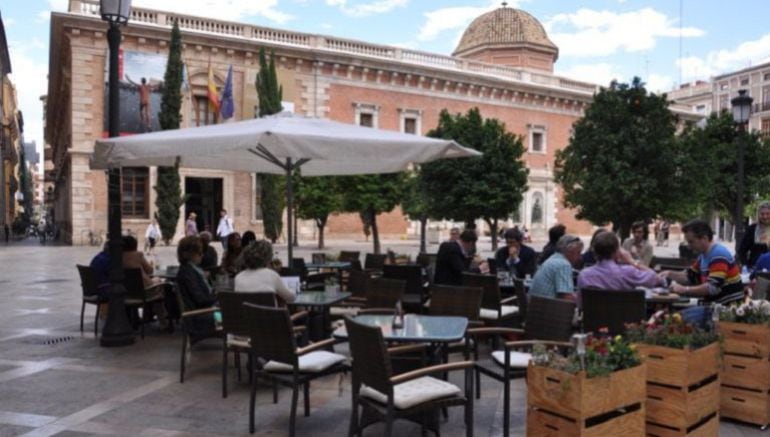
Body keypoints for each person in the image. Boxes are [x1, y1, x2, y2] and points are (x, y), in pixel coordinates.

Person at [659, 219, 744, 305]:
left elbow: (712, 288)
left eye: (691, 242)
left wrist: (684, 289)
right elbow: (690, 276)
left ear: (704, 238)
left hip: (726, 309)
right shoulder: (703, 255)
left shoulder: (718, 255)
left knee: (674, 316)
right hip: (714, 305)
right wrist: (669, 274)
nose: (689, 246)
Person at [578, 232, 662, 295]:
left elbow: (581, 304)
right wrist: (632, 261)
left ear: (595, 251)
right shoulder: (629, 272)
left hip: (594, 317)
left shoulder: (584, 275)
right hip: (625, 318)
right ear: (617, 252)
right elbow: (656, 278)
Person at [175, 236, 217, 341]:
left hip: (202, 313)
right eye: (199, 253)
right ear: (188, 254)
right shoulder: (187, 273)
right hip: (199, 318)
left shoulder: (192, 270)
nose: (202, 255)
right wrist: (218, 297)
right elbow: (201, 300)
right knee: (236, 314)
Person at [122, 235, 168, 327]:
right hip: (144, 292)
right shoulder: (138, 255)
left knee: (156, 283)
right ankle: (162, 320)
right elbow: (150, 270)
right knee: (160, 283)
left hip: (127, 292)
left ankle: (148, 314)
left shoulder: (118, 257)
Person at [529, 234, 583, 301]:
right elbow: (566, 298)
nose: (580, 257)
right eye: (578, 252)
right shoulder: (563, 265)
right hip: (549, 309)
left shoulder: (552, 259)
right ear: (569, 251)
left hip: (535, 307)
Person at [738, 201, 770, 269]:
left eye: (768, 214)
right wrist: (746, 266)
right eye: (762, 214)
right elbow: (742, 250)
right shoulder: (752, 229)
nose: (765, 216)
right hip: (755, 269)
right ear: (758, 214)